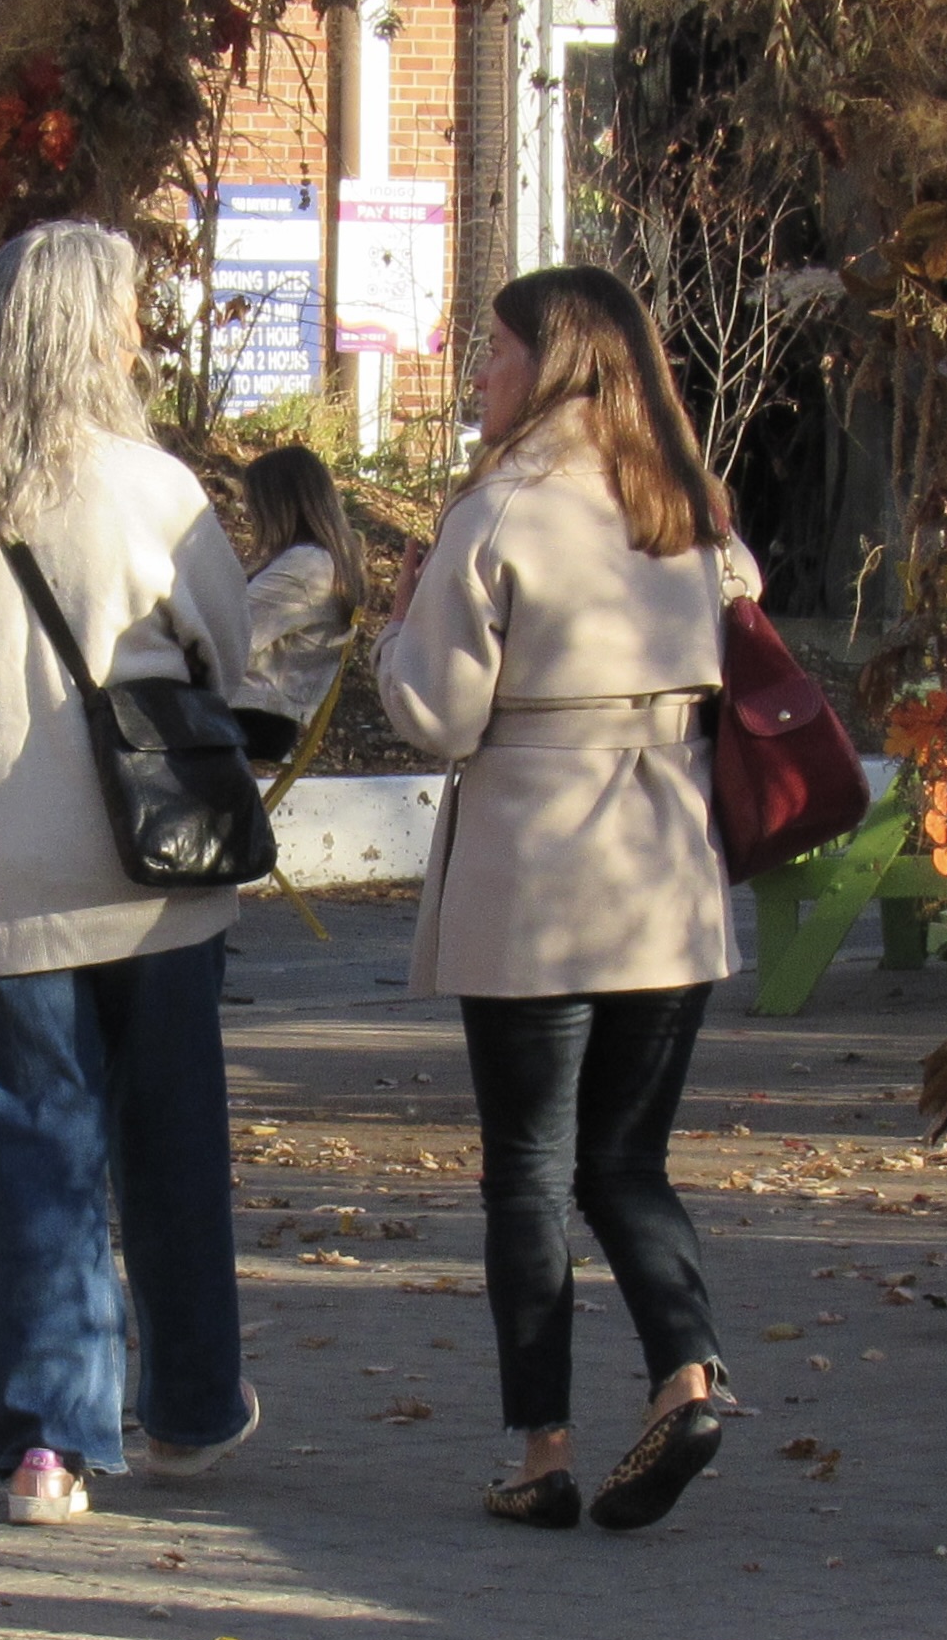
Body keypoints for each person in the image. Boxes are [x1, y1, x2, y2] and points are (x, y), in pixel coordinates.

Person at [0, 222, 263, 1524]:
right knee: (172, 1150)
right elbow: (227, 653)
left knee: (28, 1162)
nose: (138, 337)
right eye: (126, 314)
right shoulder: (150, 488)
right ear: (92, 333)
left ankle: (46, 1445)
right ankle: (191, 1409)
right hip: (149, 875)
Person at [378, 264, 754, 1535]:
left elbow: (438, 712)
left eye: (493, 351)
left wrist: (392, 633)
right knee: (629, 1160)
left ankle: (541, 1449)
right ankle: (686, 1375)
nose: (479, 374)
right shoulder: (687, 507)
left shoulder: (499, 510)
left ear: (551, 364)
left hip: (534, 874)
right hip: (668, 867)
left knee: (528, 1176)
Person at [230, 444, 368, 758]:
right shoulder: (328, 562)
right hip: (262, 714)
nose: (247, 513)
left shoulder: (306, 566)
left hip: (252, 715)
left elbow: (231, 640)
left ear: (278, 506)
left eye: (253, 503)